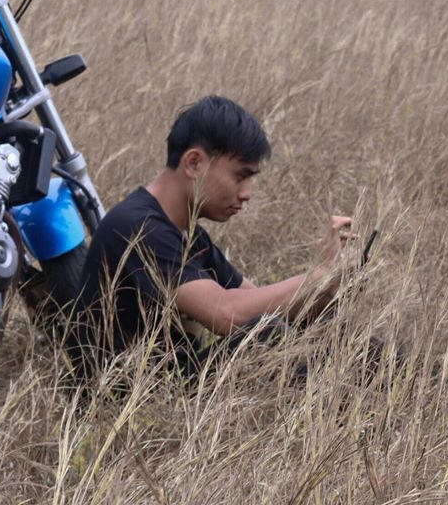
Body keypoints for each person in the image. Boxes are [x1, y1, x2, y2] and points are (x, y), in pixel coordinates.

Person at [69, 95, 353, 376]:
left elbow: (263, 304)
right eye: (240, 176)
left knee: (335, 331)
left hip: (173, 384)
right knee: (265, 335)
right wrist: (317, 275)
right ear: (194, 163)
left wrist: (331, 283)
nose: (247, 193)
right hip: (125, 397)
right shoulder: (138, 226)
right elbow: (226, 314)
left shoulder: (187, 232)